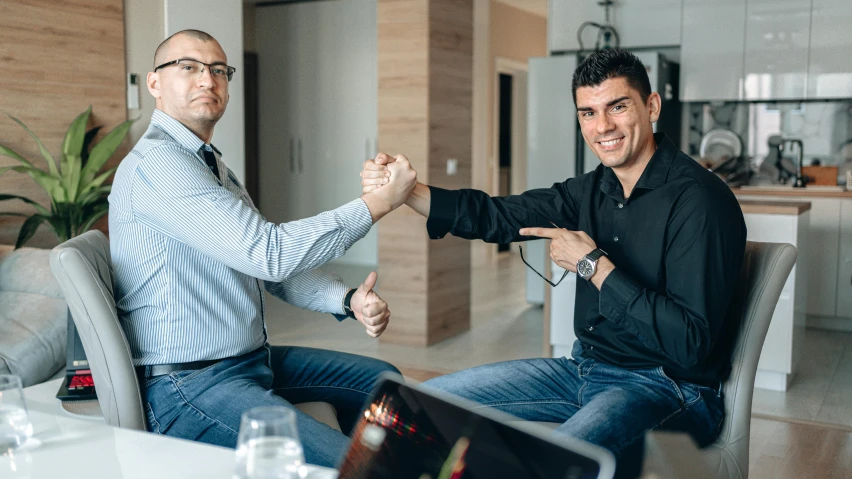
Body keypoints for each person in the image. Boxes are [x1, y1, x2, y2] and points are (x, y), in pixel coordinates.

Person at [361, 49, 746, 477]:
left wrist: (593, 266)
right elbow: (498, 214)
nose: (602, 127)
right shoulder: (589, 190)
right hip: (584, 368)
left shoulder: (701, 201)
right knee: (412, 405)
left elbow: (690, 344)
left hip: (668, 387)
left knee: (548, 464)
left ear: (651, 106)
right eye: (588, 112)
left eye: (617, 107)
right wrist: (407, 191)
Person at [109, 29, 415, 468]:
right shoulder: (160, 164)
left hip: (248, 361)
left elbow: (265, 266)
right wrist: (379, 203)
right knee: (349, 465)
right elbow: (267, 252)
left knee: (382, 384)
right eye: (188, 67)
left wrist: (345, 298)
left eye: (218, 70)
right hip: (191, 387)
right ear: (153, 83)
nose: (207, 80)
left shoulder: (209, 164)